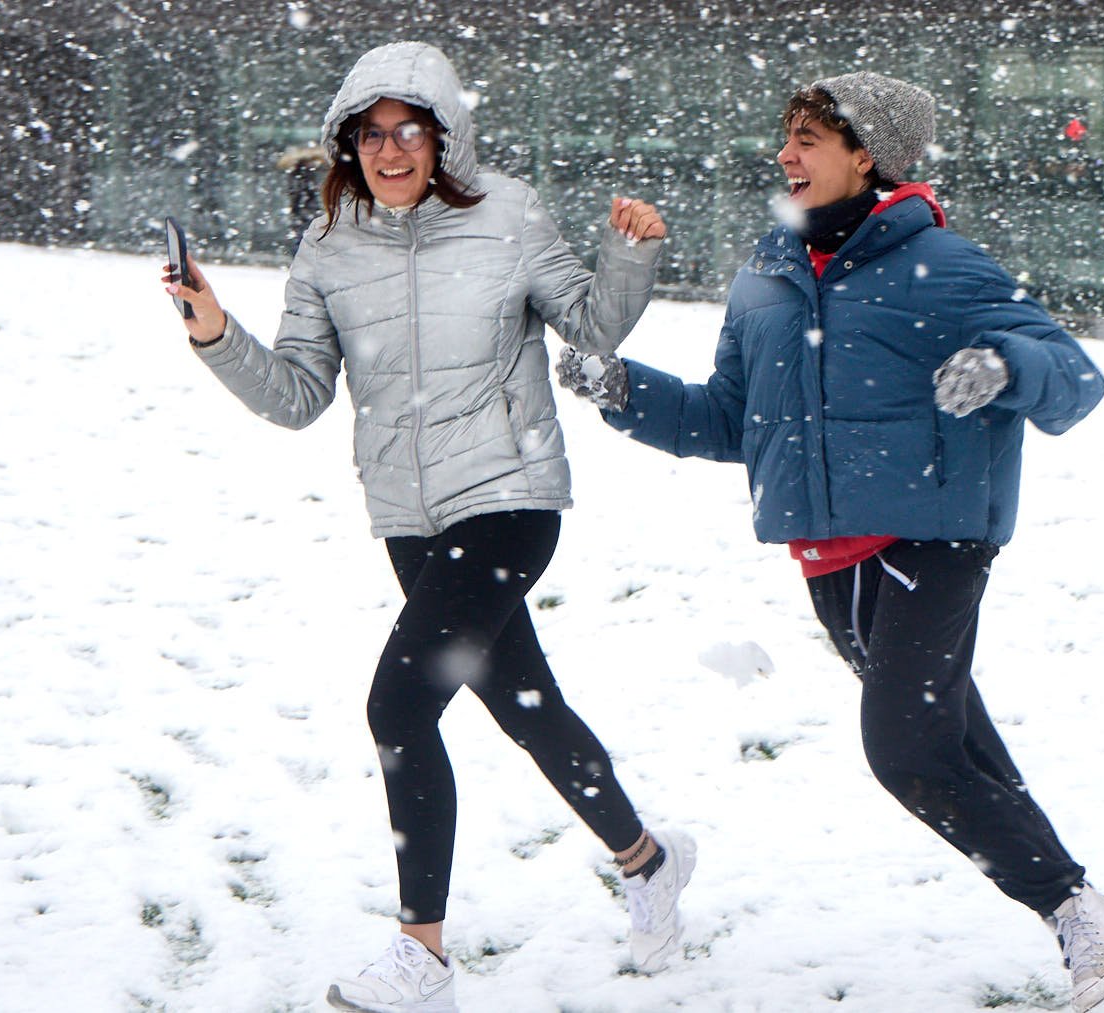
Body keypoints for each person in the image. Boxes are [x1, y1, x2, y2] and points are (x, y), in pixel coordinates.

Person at [558, 72, 1104, 1013]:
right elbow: (729, 420)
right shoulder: (769, 277)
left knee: (907, 750)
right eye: (786, 137)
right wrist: (624, 390)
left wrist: (1004, 364)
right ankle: (1081, 917)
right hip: (829, 560)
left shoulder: (947, 267)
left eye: (808, 139)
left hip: (932, 537)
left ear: (866, 155)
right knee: (955, 750)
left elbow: (1075, 379)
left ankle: (1079, 911)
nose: (785, 155)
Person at [159, 41, 693, 1012]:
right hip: (411, 518)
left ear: (445, 138)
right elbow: (295, 396)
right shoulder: (328, 246)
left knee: (399, 707)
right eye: (372, 133)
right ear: (348, 143)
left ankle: (423, 955)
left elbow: (591, 326)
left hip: (511, 497)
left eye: (410, 130)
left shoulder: (509, 213)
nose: (392, 150)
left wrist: (632, 249)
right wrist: (213, 332)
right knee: (526, 705)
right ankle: (648, 858)